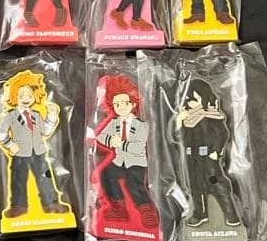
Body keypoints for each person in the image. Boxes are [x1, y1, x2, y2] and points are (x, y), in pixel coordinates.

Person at [0, 69, 71, 218]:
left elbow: (46, 131)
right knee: (18, 178)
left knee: (45, 176)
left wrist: (51, 116)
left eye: (30, 95)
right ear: (14, 96)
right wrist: (10, 144)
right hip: (20, 153)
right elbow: (0, 132)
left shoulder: (36, 115)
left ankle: (51, 202)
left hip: (39, 151)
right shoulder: (10, 115)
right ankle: (18, 205)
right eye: (21, 95)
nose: (26, 98)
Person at [174, 77, 241, 227]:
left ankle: (232, 215)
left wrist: (216, 151)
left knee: (216, 184)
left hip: (208, 158)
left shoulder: (211, 116)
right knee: (195, 187)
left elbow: (222, 133)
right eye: (188, 99)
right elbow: (179, 138)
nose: (190, 103)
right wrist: (179, 122)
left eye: (194, 99)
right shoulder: (187, 119)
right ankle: (199, 213)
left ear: (203, 98)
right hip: (191, 158)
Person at [95, 76, 158, 227]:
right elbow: (101, 136)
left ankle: (146, 211)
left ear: (133, 104)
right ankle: (119, 207)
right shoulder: (114, 122)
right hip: (119, 161)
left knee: (133, 183)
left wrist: (121, 144)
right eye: (117, 104)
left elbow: (137, 147)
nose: (121, 107)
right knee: (106, 174)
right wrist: (110, 140)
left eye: (125, 103)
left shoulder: (141, 125)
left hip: (136, 162)